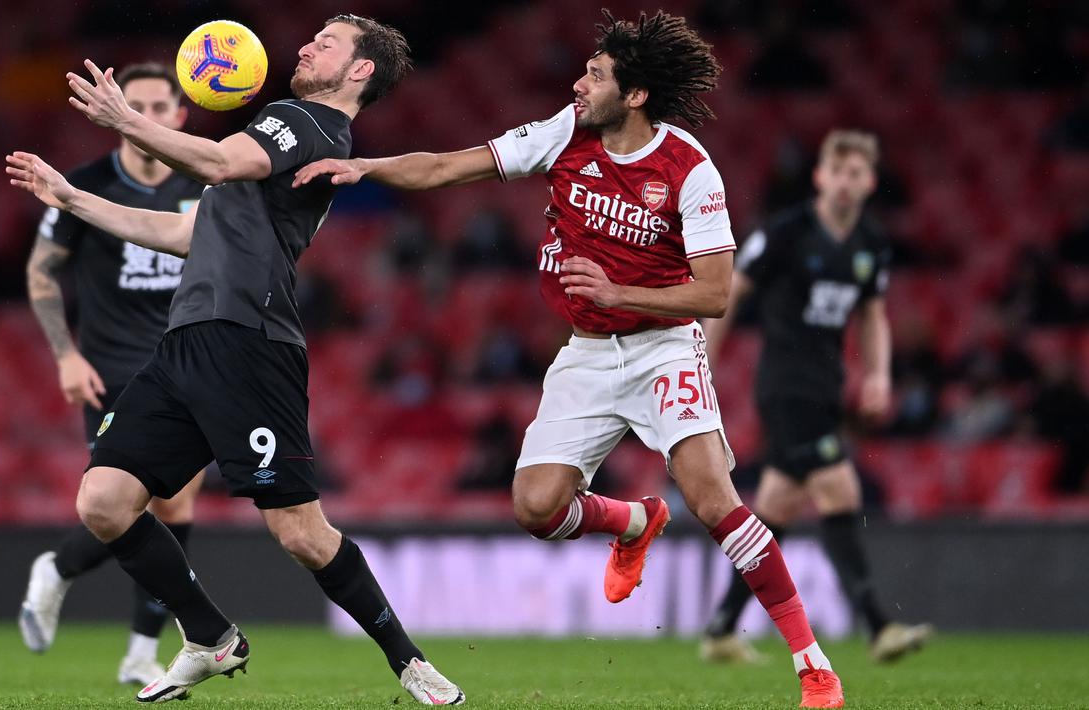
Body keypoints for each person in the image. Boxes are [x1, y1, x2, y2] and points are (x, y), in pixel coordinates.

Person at [295, 10, 843, 708]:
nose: (578, 83)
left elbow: (713, 292)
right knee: (535, 508)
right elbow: (445, 166)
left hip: (661, 347)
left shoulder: (688, 171)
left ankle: (810, 661)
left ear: (635, 94)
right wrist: (364, 164)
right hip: (586, 353)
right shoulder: (566, 132)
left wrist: (617, 288)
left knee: (712, 498)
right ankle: (633, 521)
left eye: (595, 74)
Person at [6, 15, 464, 705]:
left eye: (328, 42)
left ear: (360, 71)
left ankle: (408, 662)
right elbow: (177, 230)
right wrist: (73, 198)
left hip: (249, 342)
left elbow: (221, 161)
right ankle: (210, 637)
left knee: (301, 533)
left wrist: (125, 120)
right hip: (185, 340)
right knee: (104, 500)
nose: (307, 45)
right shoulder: (276, 144)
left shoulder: (306, 123)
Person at [699, 130, 932, 665]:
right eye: (838, 171)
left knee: (777, 505)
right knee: (839, 489)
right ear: (820, 177)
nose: (847, 183)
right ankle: (879, 626)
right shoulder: (786, 233)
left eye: (858, 174)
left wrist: (877, 375)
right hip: (784, 384)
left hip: (827, 384)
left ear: (870, 182)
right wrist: (704, 356)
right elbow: (733, 292)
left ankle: (721, 628)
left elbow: (872, 314)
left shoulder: (871, 243)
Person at [17, 62, 207, 687]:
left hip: (185, 363)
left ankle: (137, 651)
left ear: (181, 118)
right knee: (138, 500)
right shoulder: (89, 185)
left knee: (174, 507)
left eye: (161, 108)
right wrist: (65, 355)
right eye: (139, 106)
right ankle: (60, 569)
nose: (149, 119)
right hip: (114, 369)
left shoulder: (202, 182)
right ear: (114, 112)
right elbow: (43, 270)